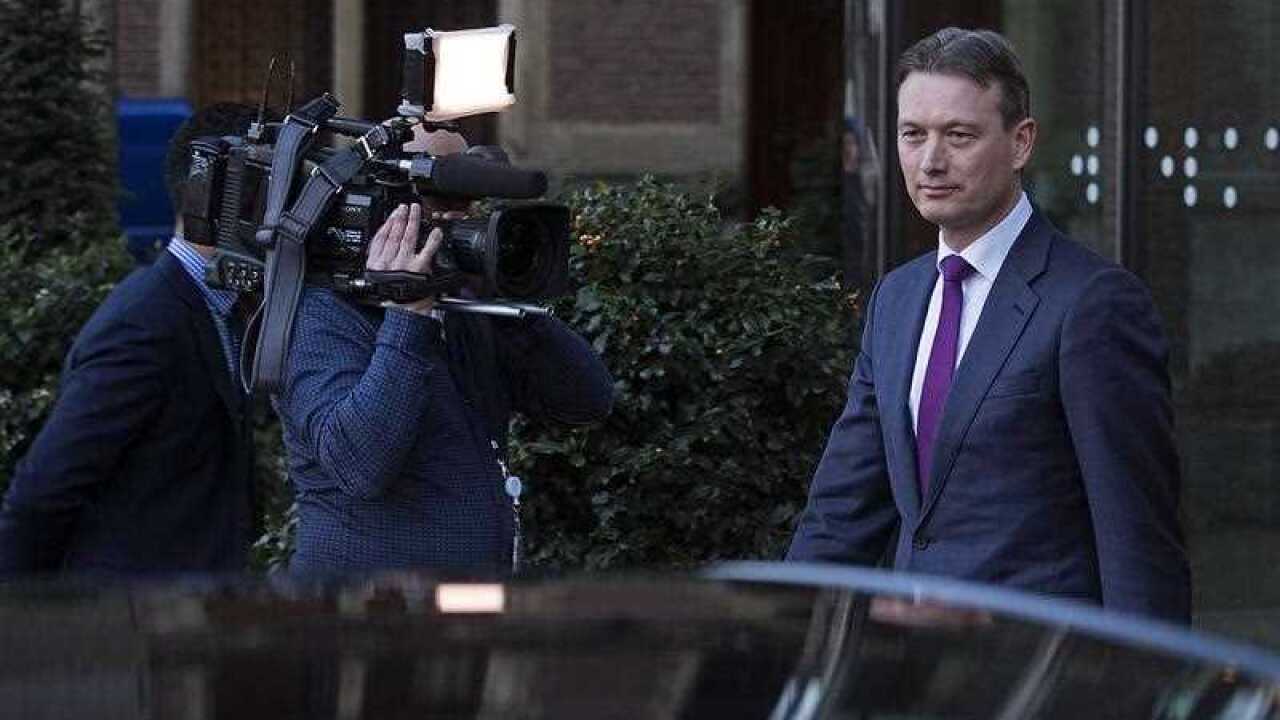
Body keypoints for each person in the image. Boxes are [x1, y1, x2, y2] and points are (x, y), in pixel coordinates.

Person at [787, 28, 1191, 623]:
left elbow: (1136, 536)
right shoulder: (896, 300)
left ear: (1021, 142)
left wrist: (1146, 692)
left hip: (1039, 679)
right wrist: (772, 637)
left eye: (959, 135)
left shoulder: (1093, 303)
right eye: (912, 134)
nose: (931, 161)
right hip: (913, 673)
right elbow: (842, 508)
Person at [274, 126, 614, 575]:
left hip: (462, 611)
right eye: (443, 197)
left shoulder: (462, 303)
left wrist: (506, 290)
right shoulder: (323, 313)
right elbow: (359, 464)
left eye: (470, 198)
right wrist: (407, 316)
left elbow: (586, 399)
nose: (462, 217)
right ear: (382, 206)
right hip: (367, 618)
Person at [0, 103, 260, 575]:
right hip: (133, 627)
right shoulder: (144, 324)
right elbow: (41, 494)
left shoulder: (216, 303)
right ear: (223, 197)